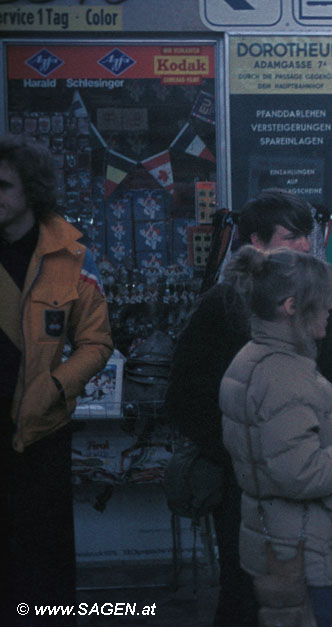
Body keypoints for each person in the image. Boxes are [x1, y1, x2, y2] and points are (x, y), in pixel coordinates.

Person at [164, 189, 332, 627]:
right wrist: (239, 451)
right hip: (243, 490)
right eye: (292, 236)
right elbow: (184, 398)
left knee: (304, 597)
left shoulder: (313, 301)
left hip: (308, 481)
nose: (305, 246)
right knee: (246, 597)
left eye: (307, 235)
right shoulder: (221, 306)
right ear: (257, 242)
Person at [218, 246, 332, 627]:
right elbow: (303, 473)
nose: (331, 310)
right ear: (291, 306)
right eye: (324, 302)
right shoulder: (284, 375)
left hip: (279, 541)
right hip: (309, 550)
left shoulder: (252, 357)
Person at [0, 134, 113, 625]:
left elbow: (96, 343)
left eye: (3, 185)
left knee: (44, 567)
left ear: (32, 190)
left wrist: (56, 387)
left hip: (42, 432)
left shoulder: (73, 258)